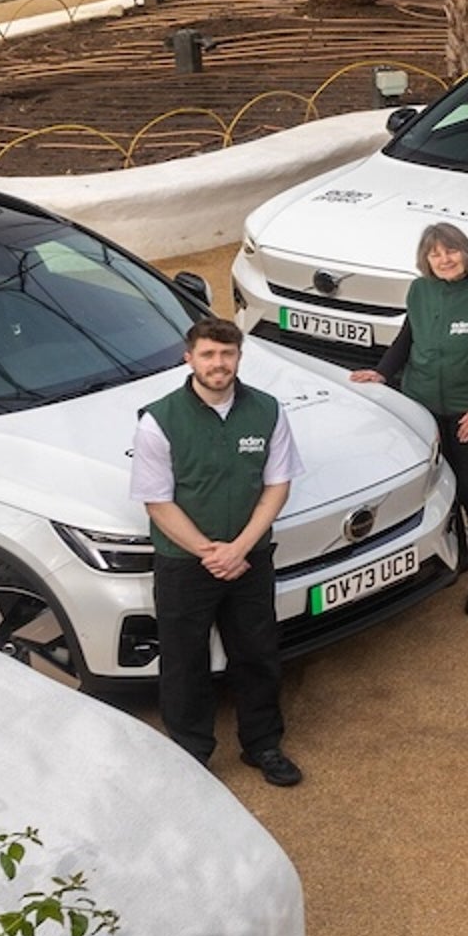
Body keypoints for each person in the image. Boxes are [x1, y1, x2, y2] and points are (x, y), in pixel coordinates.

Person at [128, 315, 305, 786]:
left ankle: (263, 745)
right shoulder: (158, 421)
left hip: (250, 558)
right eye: (208, 354)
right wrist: (211, 553)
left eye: (227, 354)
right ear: (190, 359)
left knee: (257, 653)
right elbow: (157, 503)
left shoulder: (267, 411)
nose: (218, 363)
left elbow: (277, 486)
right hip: (184, 564)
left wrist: (241, 548)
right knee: (185, 661)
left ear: (239, 357)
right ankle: (192, 754)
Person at [350, 221, 468, 615]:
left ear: (467, 251)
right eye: (435, 253)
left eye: (451, 250)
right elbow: (408, 337)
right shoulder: (420, 290)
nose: (444, 259)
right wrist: (382, 372)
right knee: (440, 483)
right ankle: (456, 550)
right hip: (421, 404)